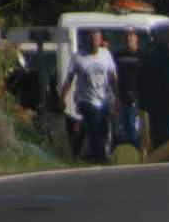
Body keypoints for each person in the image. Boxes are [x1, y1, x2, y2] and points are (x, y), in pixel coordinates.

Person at [60, 29, 120, 163]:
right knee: (94, 126)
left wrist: (117, 98)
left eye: (96, 40)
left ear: (100, 40)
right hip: (86, 100)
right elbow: (69, 78)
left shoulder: (106, 54)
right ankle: (101, 158)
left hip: (103, 100)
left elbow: (112, 77)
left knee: (103, 129)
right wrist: (62, 97)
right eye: (91, 40)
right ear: (87, 40)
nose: (93, 43)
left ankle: (77, 150)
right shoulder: (79, 56)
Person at [138, 25, 169, 153]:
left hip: (153, 101)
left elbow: (141, 77)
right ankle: (164, 155)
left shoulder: (148, 52)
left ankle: (158, 153)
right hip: (166, 101)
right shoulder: (167, 54)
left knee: (155, 130)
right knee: (166, 132)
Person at [112, 27, 143, 148]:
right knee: (123, 128)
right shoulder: (118, 55)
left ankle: (136, 150)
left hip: (138, 98)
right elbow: (113, 74)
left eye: (131, 35)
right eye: (126, 36)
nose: (128, 38)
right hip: (122, 97)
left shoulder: (143, 55)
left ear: (136, 38)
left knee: (133, 126)